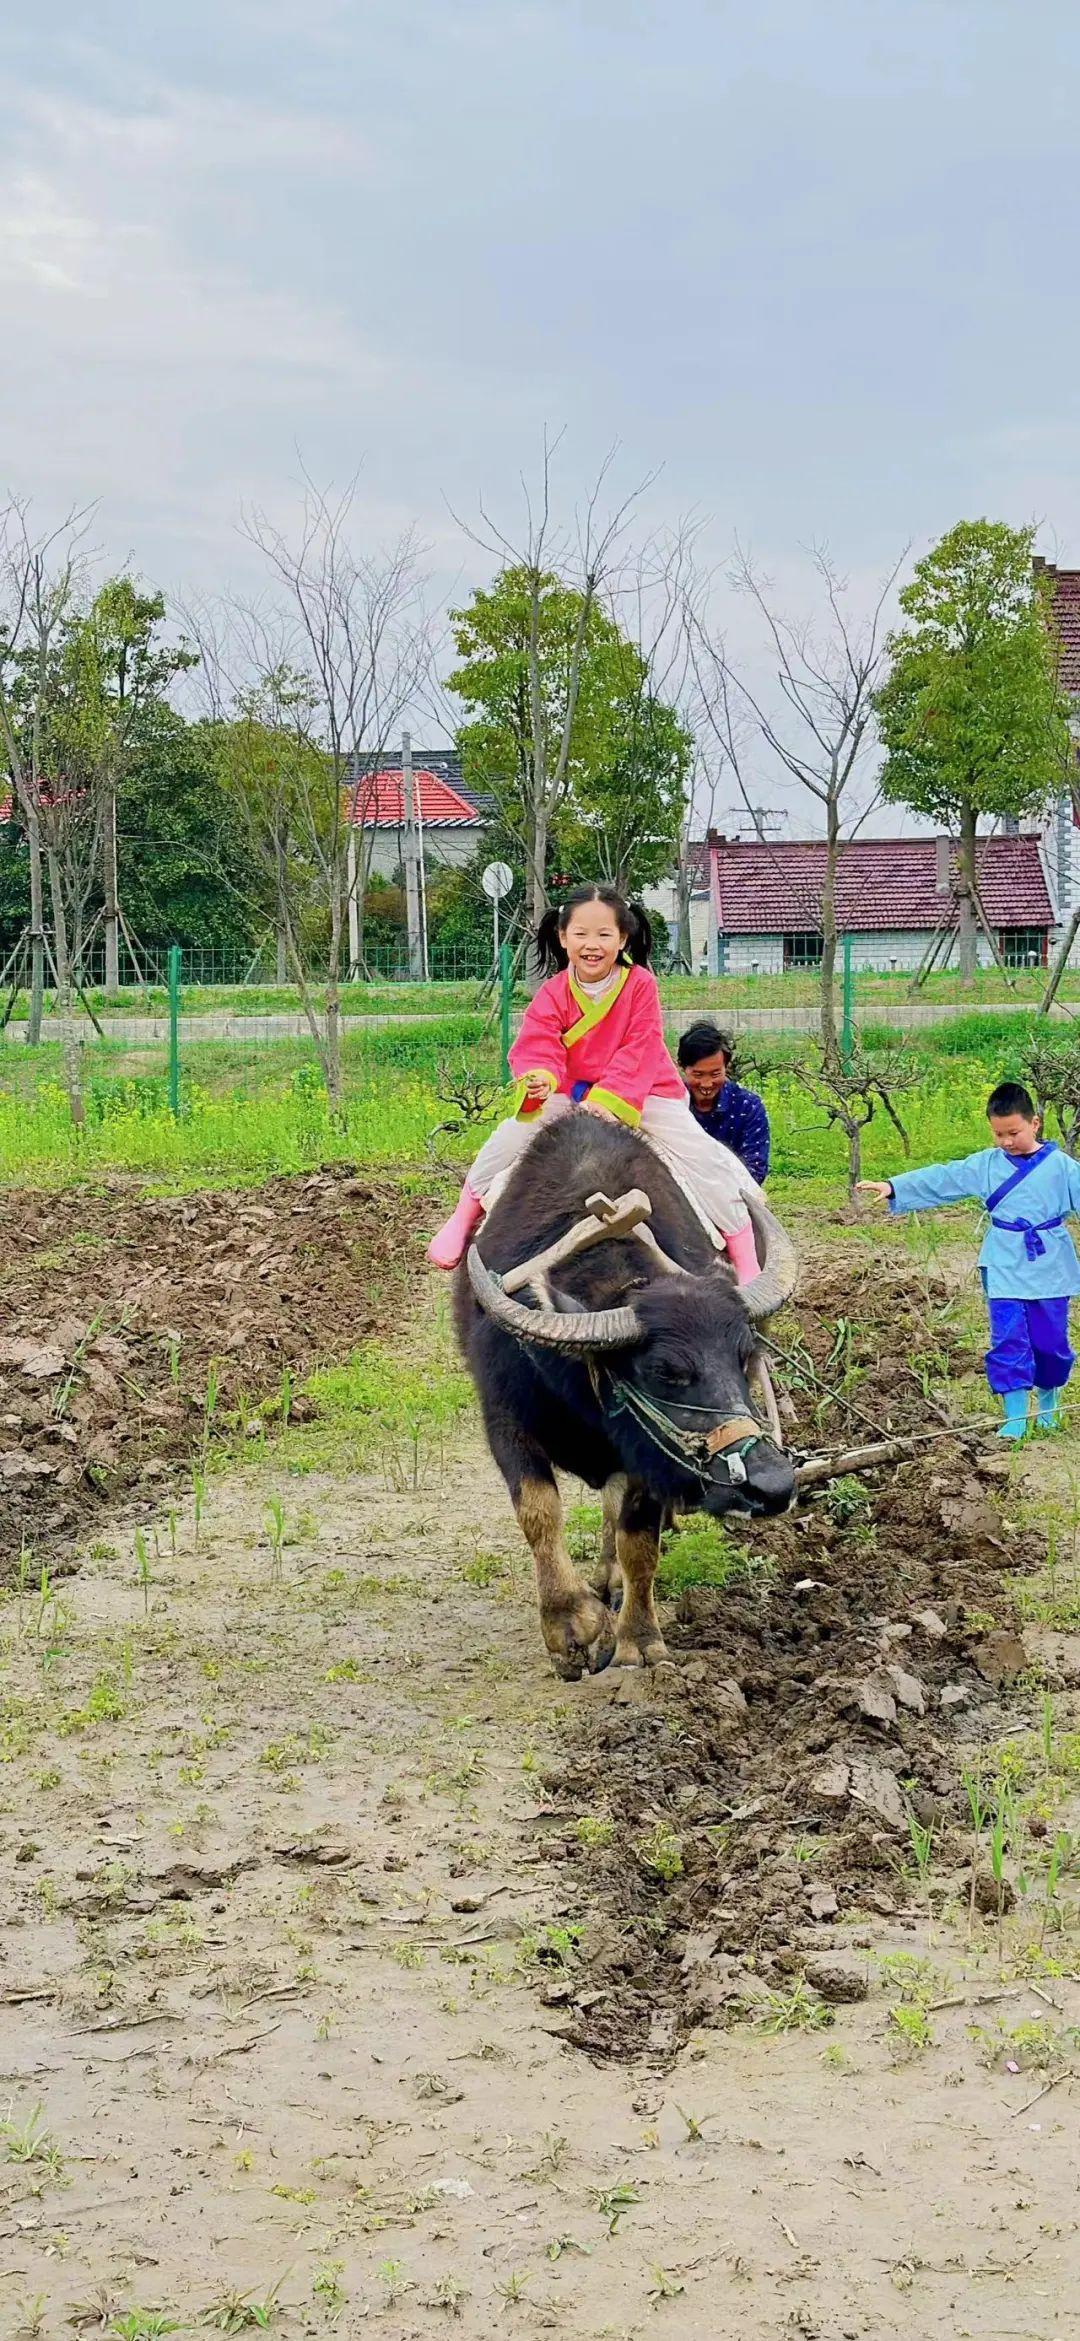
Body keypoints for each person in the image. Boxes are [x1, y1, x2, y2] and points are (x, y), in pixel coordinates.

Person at [427, 883, 761, 1280]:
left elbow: (641, 1047)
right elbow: (537, 1045)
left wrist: (608, 1099)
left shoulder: (640, 986)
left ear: (622, 938)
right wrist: (539, 1080)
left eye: (604, 935)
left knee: (703, 1158)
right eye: (581, 934)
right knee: (506, 1138)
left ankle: (742, 1248)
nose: (592, 944)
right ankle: (466, 1214)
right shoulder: (552, 994)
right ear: (563, 936)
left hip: (645, 1092)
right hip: (567, 1091)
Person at [857, 1080, 1080, 1440]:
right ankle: (1016, 1417)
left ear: (1034, 1123)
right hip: (1005, 1261)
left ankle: (1050, 1403)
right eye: (998, 1134)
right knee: (1008, 1337)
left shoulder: (1063, 1167)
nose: (1006, 1141)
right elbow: (944, 1178)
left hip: (1050, 1264)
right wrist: (895, 1186)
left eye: (1014, 1132)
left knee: (1050, 1343)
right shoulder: (986, 1165)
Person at [677, 1020, 771, 1186]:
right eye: (698, 1075)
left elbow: (755, 1170)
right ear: (683, 1068)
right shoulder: (672, 1106)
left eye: (715, 1074)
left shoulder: (748, 1107)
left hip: (734, 1196)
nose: (706, 1084)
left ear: (726, 1067)